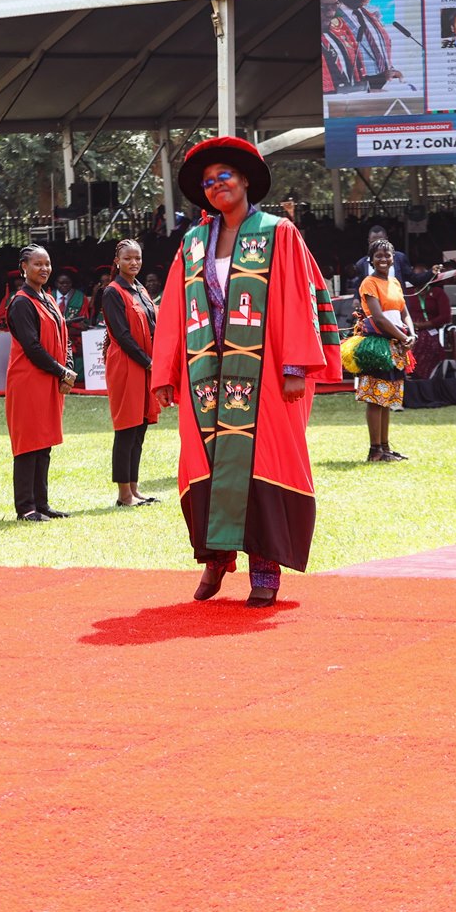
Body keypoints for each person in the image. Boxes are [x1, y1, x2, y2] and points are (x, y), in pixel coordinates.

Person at [151, 135, 341, 608]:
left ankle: (265, 567)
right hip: (204, 377)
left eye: (225, 177)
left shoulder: (278, 232)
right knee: (206, 463)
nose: (217, 186)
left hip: (265, 375)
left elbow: (300, 297)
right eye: (209, 182)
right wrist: (164, 373)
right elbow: (174, 307)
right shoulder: (193, 243)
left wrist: (297, 364)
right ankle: (216, 558)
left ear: (245, 180)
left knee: (264, 462)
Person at [6, 244, 75, 521]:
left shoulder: (46, 298)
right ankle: (26, 507)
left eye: (47, 263)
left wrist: (67, 366)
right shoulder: (21, 302)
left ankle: (42, 504)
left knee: (44, 442)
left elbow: (63, 335)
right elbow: (32, 346)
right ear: (24, 267)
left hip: (48, 378)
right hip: (28, 380)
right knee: (28, 444)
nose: (44, 269)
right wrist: (61, 370)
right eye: (37, 264)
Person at [101, 238, 161, 507]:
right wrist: (147, 361)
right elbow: (122, 334)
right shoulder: (113, 292)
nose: (133, 262)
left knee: (140, 426)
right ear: (117, 261)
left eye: (137, 258)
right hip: (127, 365)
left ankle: (135, 490)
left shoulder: (140, 289)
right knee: (126, 427)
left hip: (146, 364)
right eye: (127, 258)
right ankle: (123, 494)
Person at [355, 238, 416, 462]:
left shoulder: (396, 283)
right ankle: (375, 451)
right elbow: (378, 318)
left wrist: (411, 333)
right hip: (378, 344)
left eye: (387, 255)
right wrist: (403, 337)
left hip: (397, 345)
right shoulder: (369, 283)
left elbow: (404, 312)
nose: (383, 259)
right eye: (378, 255)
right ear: (371, 260)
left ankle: (385, 448)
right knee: (375, 397)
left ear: (394, 258)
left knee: (388, 398)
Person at [325, 0, 400, 91]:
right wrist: (377, 80)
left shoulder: (371, 18)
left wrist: (391, 73)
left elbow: (381, 59)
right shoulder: (328, 21)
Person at [405, 262, 452, 381]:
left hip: (429, 329)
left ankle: (421, 375)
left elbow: (445, 317)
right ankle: (408, 373)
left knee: (423, 342)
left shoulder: (438, 293)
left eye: (422, 275)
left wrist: (423, 325)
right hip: (408, 328)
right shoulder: (407, 293)